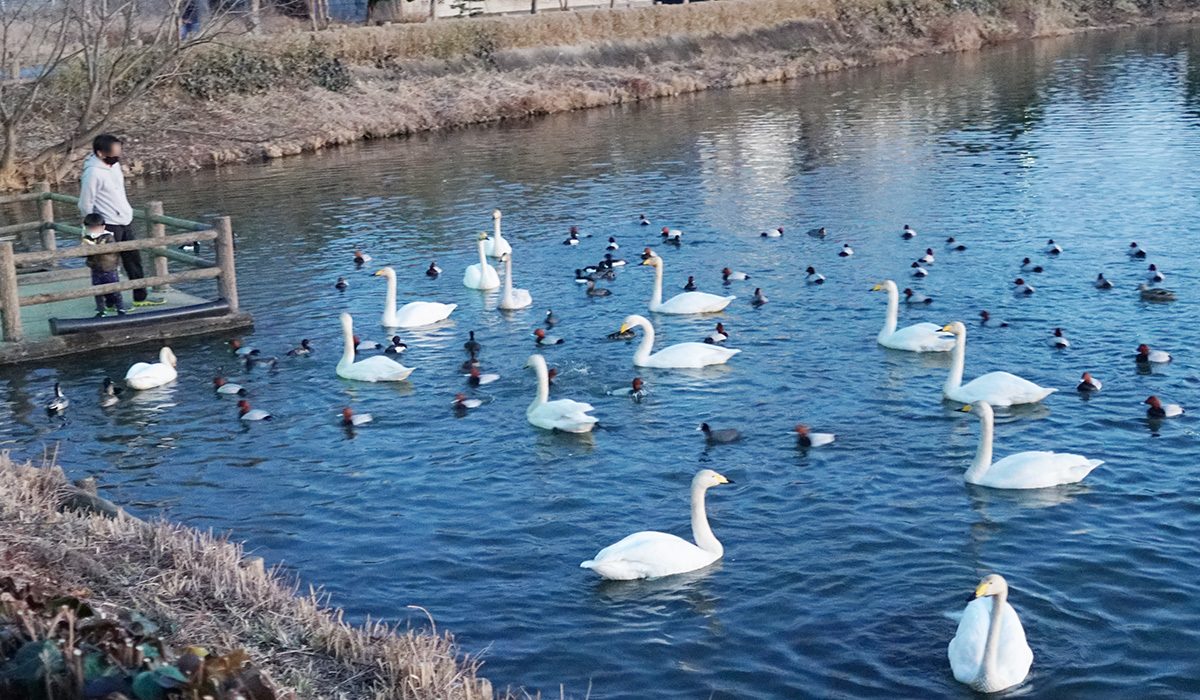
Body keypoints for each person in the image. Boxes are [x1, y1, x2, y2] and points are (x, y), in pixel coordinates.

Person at [78, 134, 163, 306]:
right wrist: (93, 226)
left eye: (119, 151)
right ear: (101, 153)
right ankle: (110, 302)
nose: (118, 155)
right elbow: (85, 202)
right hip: (107, 223)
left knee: (134, 260)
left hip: (124, 220)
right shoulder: (92, 173)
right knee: (107, 264)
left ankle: (140, 298)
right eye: (115, 152)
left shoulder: (114, 167)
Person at [81, 214, 127, 317]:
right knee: (97, 291)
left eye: (96, 228)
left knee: (115, 290)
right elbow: (82, 253)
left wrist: (95, 247)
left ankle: (121, 309)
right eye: (90, 228)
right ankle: (101, 311)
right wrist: (84, 248)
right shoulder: (87, 237)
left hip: (109, 268)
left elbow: (110, 249)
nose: (93, 231)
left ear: (103, 227)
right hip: (95, 268)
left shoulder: (108, 237)